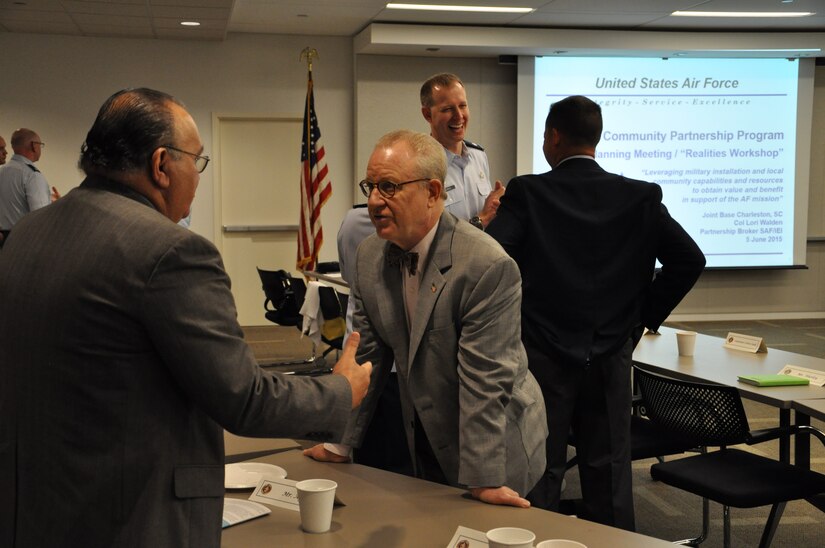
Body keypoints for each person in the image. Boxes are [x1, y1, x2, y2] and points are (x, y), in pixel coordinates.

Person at [0, 88, 372, 548]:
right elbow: (244, 398)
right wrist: (339, 391)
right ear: (161, 165)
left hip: (35, 507)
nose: (197, 177)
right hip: (131, 517)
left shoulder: (26, 234)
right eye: (197, 162)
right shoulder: (171, 250)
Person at [487, 95, 706, 530]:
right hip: (610, 354)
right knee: (608, 476)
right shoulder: (640, 197)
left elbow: (493, 261)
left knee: (539, 469)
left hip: (542, 356)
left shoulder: (528, 193)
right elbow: (689, 259)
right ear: (596, 139)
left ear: (553, 137)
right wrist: (639, 318)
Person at [306, 129, 547, 507]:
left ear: (433, 192)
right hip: (425, 430)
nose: (373, 201)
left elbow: (485, 384)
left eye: (388, 187)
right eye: (370, 186)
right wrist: (340, 443)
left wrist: (484, 479)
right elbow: (367, 356)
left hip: (496, 442)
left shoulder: (486, 265)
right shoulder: (371, 255)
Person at [420, 72, 505, 229]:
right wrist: (481, 220)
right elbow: (424, 232)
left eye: (462, 106)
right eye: (447, 109)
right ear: (427, 114)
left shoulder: (479, 156)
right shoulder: (420, 165)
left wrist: (495, 207)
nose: (459, 116)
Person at [0, 128, 60, 246]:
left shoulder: (2, 171)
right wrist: (57, 207)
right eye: (40, 145)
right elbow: (40, 220)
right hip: (22, 244)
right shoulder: (32, 176)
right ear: (33, 146)